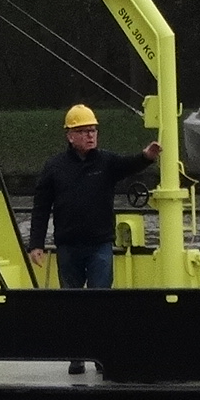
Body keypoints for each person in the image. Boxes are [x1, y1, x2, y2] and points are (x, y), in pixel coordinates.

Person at [28, 104, 159, 289]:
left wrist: (146, 157)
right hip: (68, 245)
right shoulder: (54, 167)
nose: (90, 135)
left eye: (93, 130)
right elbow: (41, 208)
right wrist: (36, 244)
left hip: (100, 244)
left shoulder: (106, 162)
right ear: (70, 136)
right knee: (71, 299)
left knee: (100, 296)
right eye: (83, 131)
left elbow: (128, 164)